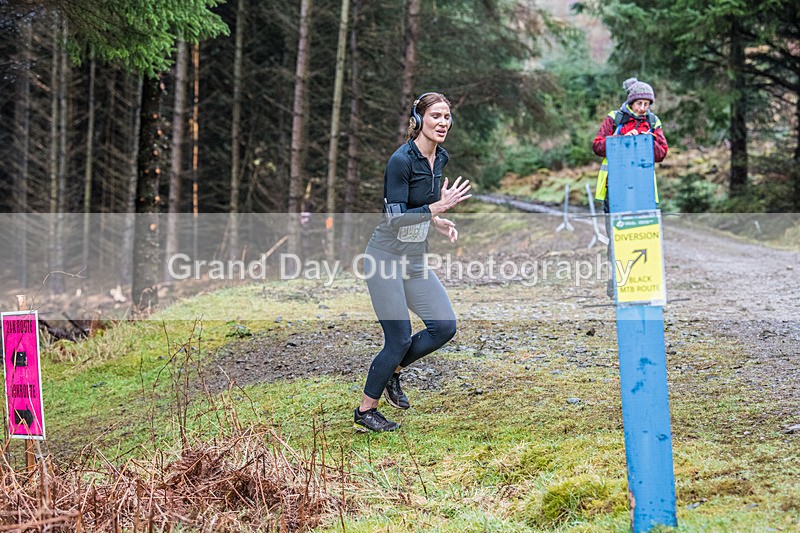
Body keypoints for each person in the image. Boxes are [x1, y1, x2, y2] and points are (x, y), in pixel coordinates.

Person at [354, 92, 472, 432]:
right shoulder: (400, 161)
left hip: (414, 259)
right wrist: (435, 210)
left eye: (447, 116)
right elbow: (394, 218)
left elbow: (419, 204)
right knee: (399, 338)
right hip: (384, 259)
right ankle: (365, 411)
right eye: (436, 115)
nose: (443, 122)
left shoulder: (441, 157)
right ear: (419, 119)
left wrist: (436, 220)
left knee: (444, 326)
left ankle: (393, 372)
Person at [592, 77, 668, 297]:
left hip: (644, 191)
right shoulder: (614, 118)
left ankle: (641, 283)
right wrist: (623, 139)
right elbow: (598, 145)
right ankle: (616, 283)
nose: (643, 108)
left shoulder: (653, 122)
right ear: (631, 102)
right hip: (614, 189)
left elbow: (661, 152)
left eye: (647, 104)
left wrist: (647, 140)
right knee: (617, 237)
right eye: (639, 104)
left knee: (642, 237)